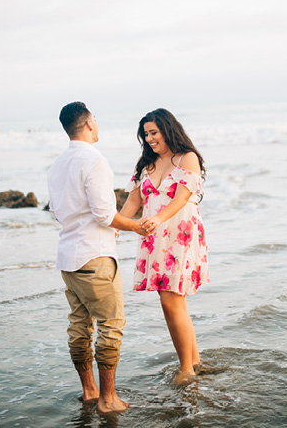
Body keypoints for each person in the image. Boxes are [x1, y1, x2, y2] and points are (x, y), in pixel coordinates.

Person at [46, 102, 146, 414]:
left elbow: (56, 211)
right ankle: (108, 399)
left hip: (68, 256)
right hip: (95, 257)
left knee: (79, 325)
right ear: (89, 123)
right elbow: (105, 214)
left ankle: (90, 391)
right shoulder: (94, 160)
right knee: (111, 324)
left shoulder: (57, 165)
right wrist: (136, 226)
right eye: (96, 120)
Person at [120, 108, 209, 385]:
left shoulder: (187, 158)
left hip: (179, 235)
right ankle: (193, 362)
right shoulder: (145, 163)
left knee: (171, 300)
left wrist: (157, 218)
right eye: (145, 134)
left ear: (168, 129)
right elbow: (133, 203)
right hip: (154, 237)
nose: (149, 139)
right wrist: (114, 228)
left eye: (154, 133)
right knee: (174, 301)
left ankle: (186, 370)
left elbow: (181, 199)